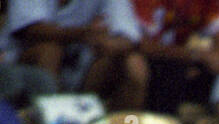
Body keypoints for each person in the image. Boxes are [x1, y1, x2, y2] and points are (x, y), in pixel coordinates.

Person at [5, 0, 148, 110]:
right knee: (50, 51)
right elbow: (29, 30)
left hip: (83, 76)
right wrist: (82, 34)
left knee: (134, 64)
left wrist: (107, 44)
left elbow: (131, 38)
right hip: (20, 70)